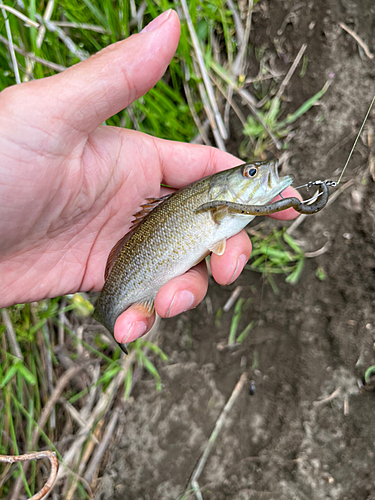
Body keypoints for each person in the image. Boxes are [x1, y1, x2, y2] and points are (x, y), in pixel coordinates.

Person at [0, 10, 300, 345]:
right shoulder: (220, 207)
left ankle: (111, 310)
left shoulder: (223, 209)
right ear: (222, 192)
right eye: (251, 172)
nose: (257, 172)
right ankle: (111, 308)